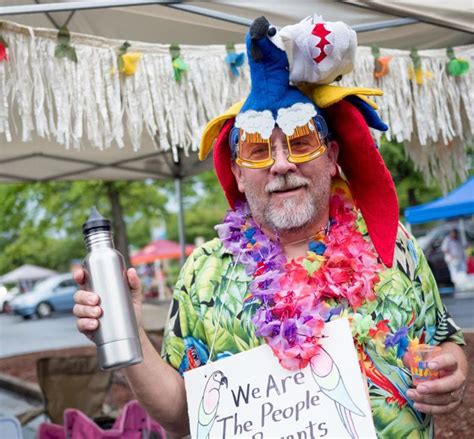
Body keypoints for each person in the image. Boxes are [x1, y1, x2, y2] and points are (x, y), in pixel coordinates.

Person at [73, 15, 467, 438]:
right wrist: (127, 330)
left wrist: (450, 372)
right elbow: (181, 415)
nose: (282, 164)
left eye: (300, 143)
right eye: (260, 151)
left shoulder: (393, 244)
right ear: (240, 175)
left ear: (332, 156)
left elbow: (444, 341)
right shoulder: (204, 274)